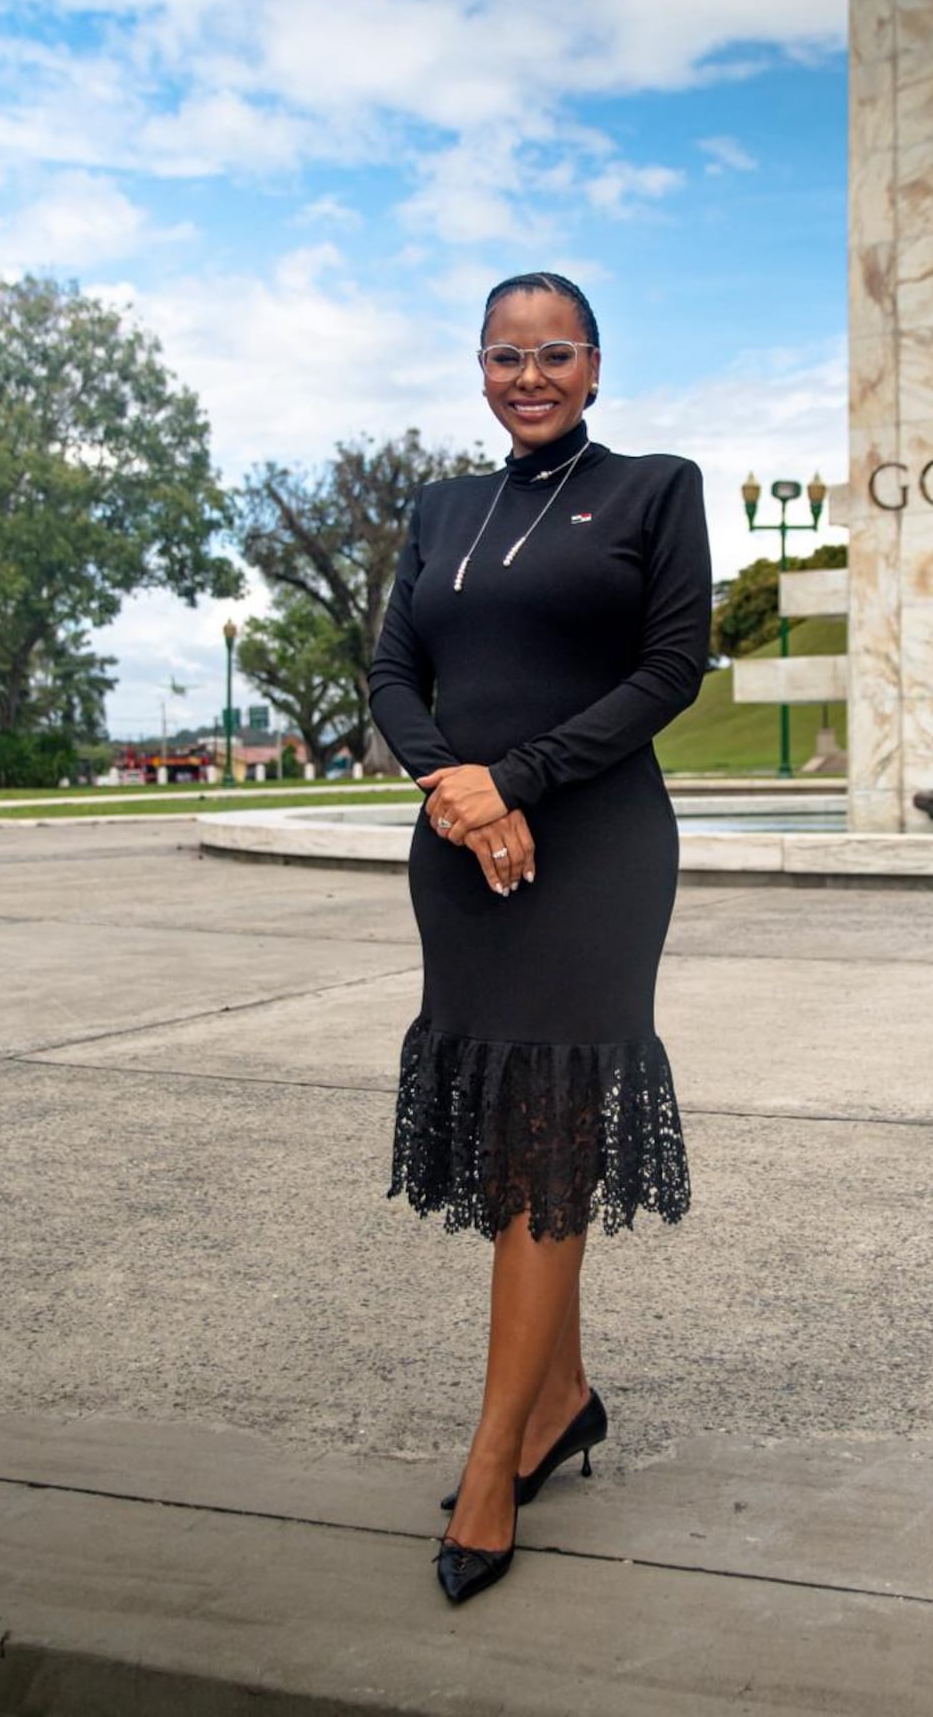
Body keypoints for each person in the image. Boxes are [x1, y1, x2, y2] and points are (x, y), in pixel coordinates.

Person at [368, 270, 712, 1603]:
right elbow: (397, 666)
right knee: (513, 1126)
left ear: (595, 365)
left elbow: (670, 669)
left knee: (554, 1118)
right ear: (480, 368)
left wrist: (520, 780)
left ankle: (500, 1449)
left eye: (554, 352)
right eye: (504, 356)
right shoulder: (440, 508)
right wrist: (451, 787)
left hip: (598, 847)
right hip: (460, 848)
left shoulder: (654, 489)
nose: (529, 375)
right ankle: (561, 1391)